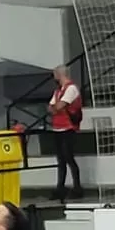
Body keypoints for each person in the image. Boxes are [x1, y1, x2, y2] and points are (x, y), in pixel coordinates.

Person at [47, 65, 83, 202]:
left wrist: (56, 108)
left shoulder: (71, 88)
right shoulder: (58, 91)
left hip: (68, 128)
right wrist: (56, 108)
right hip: (57, 128)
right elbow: (51, 108)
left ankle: (77, 187)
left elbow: (58, 106)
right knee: (61, 160)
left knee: (69, 158)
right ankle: (60, 188)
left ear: (59, 74)